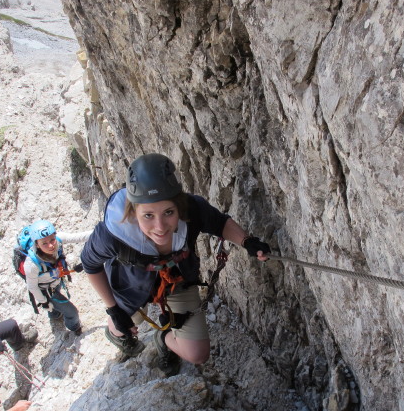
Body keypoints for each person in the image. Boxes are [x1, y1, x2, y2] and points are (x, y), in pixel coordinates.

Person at [81, 153, 270, 376]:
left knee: (197, 354)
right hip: (130, 287)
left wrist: (246, 241)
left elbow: (219, 223)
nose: (160, 226)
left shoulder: (192, 210)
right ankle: (116, 333)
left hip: (177, 282)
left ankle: (162, 338)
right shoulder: (112, 234)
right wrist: (113, 310)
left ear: (178, 205)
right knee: (121, 326)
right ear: (133, 211)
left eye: (168, 212)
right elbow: (89, 264)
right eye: (148, 215)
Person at [24, 220, 91, 336]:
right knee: (72, 313)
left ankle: (54, 315)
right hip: (46, 291)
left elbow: (79, 237)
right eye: (44, 243)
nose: (51, 245)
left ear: (55, 235)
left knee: (54, 307)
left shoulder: (58, 239)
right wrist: (44, 302)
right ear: (36, 244)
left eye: (52, 240)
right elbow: (32, 287)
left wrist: (105, 229)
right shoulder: (31, 264)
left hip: (55, 281)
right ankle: (74, 327)